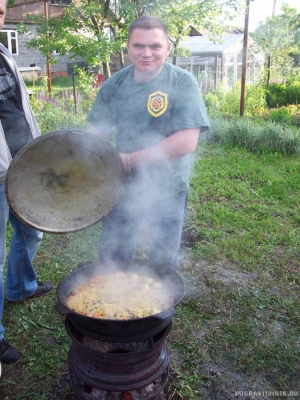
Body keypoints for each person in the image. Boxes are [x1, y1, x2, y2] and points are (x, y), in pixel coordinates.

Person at [87, 15, 209, 267]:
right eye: (138, 46)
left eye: (155, 46)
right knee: (114, 257)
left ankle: (163, 307)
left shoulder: (181, 82)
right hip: (120, 188)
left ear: (167, 48)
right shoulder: (114, 85)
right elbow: (94, 134)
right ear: (128, 48)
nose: (147, 53)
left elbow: (187, 141)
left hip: (168, 188)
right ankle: (112, 303)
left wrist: (130, 160)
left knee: (163, 263)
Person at [0, 0, 53, 364]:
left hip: (23, 165)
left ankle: (19, 287)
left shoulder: (3, 53)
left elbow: (19, 107)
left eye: (0, 11)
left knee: (33, 230)